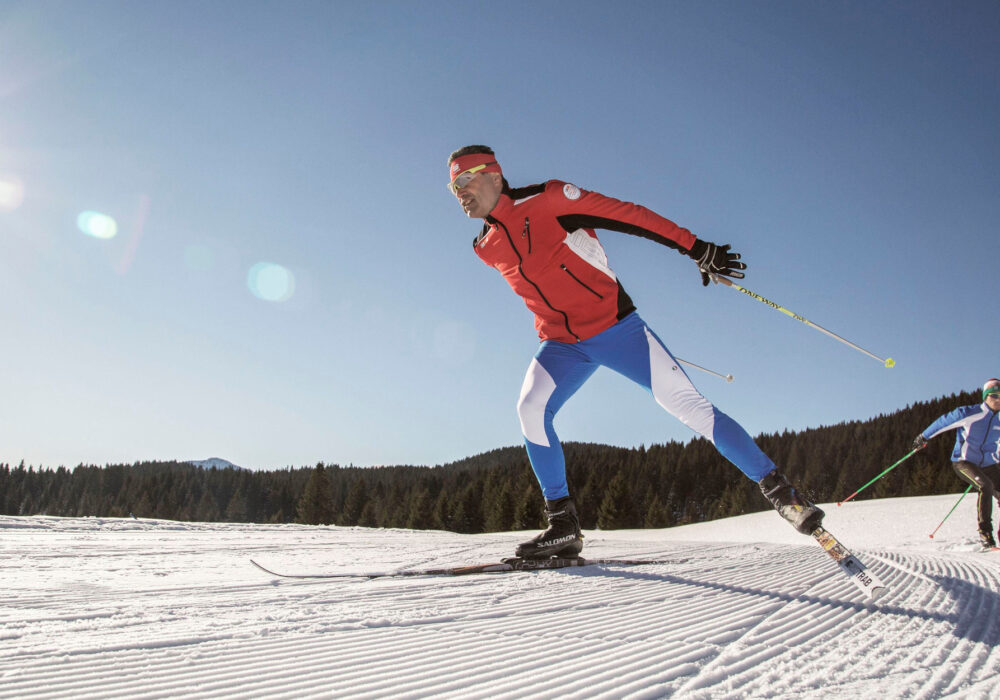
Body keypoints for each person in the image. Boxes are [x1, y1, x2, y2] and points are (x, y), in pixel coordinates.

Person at [447, 145, 825, 558]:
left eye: (465, 178)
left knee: (688, 406)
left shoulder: (550, 200)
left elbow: (629, 215)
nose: (459, 190)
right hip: (560, 344)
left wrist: (696, 247)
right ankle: (563, 523)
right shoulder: (485, 247)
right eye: (452, 186)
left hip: (616, 329)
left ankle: (784, 495)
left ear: (495, 176)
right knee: (530, 409)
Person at [913, 378, 1000, 549]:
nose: (998, 400)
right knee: (986, 486)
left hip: (988, 464)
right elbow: (944, 422)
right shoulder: (970, 413)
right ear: (985, 397)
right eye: (993, 396)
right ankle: (985, 533)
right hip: (963, 462)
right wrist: (924, 437)